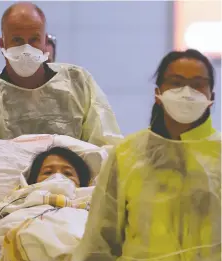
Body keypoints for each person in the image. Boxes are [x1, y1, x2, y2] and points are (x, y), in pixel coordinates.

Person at [71, 49, 221, 261]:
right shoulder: (127, 154)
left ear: (211, 97)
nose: (187, 92)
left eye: (197, 84)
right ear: (158, 94)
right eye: (176, 83)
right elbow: (100, 237)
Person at [0, 2, 122, 146]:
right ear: (2, 44)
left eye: (34, 39)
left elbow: (105, 150)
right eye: (17, 40)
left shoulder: (78, 82)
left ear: (45, 43)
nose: (26, 49)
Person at [27, 146, 91, 187]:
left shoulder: (94, 204)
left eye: (67, 173)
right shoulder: (19, 202)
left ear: (80, 182)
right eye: (48, 172)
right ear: (34, 181)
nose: (58, 178)